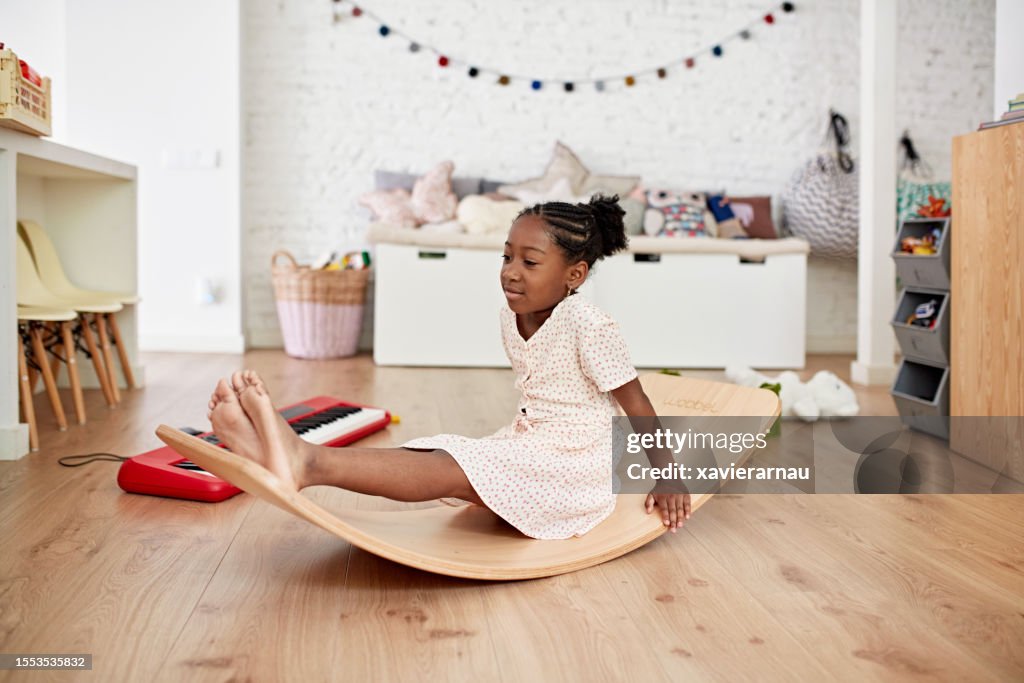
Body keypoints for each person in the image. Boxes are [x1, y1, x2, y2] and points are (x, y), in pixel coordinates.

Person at [207, 195, 691, 540]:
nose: (510, 270)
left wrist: (667, 475)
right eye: (506, 256)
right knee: (445, 451)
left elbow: (638, 404)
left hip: (577, 465)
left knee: (460, 468)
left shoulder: (589, 323)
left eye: (530, 261)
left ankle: (305, 461)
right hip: (534, 441)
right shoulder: (514, 315)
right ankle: (277, 453)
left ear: (574, 275)